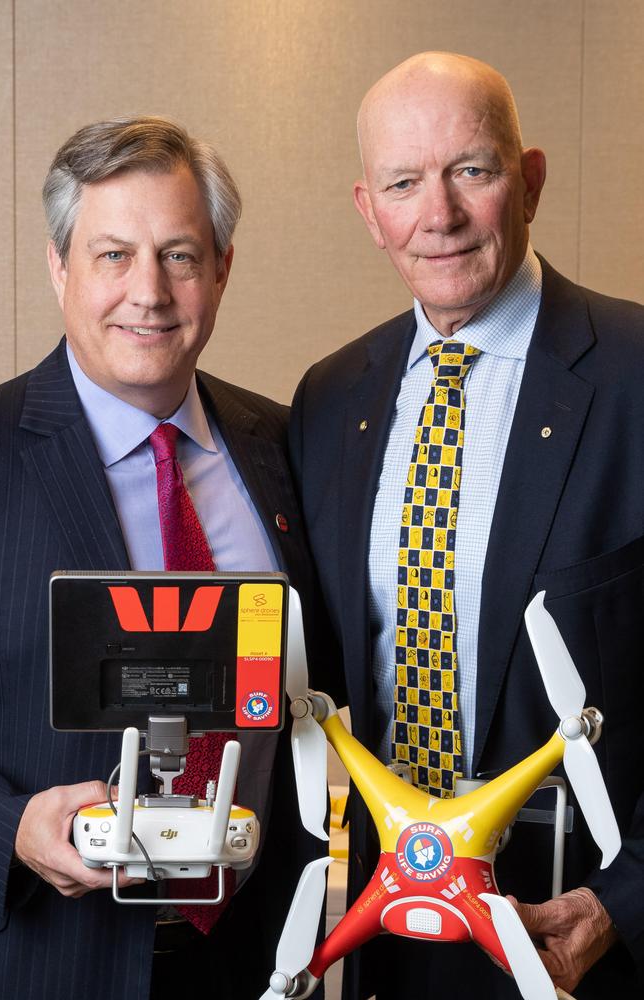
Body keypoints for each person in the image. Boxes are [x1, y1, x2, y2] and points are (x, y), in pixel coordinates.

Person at [289, 52, 644, 998]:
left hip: (581, 934)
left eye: (471, 172)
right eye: (405, 183)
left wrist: (628, 902)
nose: (437, 215)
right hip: (384, 931)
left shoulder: (637, 376)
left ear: (529, 178)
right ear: (371, 211)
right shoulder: (329, 401)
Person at [0, 116, 327, 1000]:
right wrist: (10, 828)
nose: (148, 291)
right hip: (49, 959)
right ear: (60, 267)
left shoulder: (286, 448)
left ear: (222, 268)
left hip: (262, 953)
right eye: (112, 256)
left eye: (179, 255)